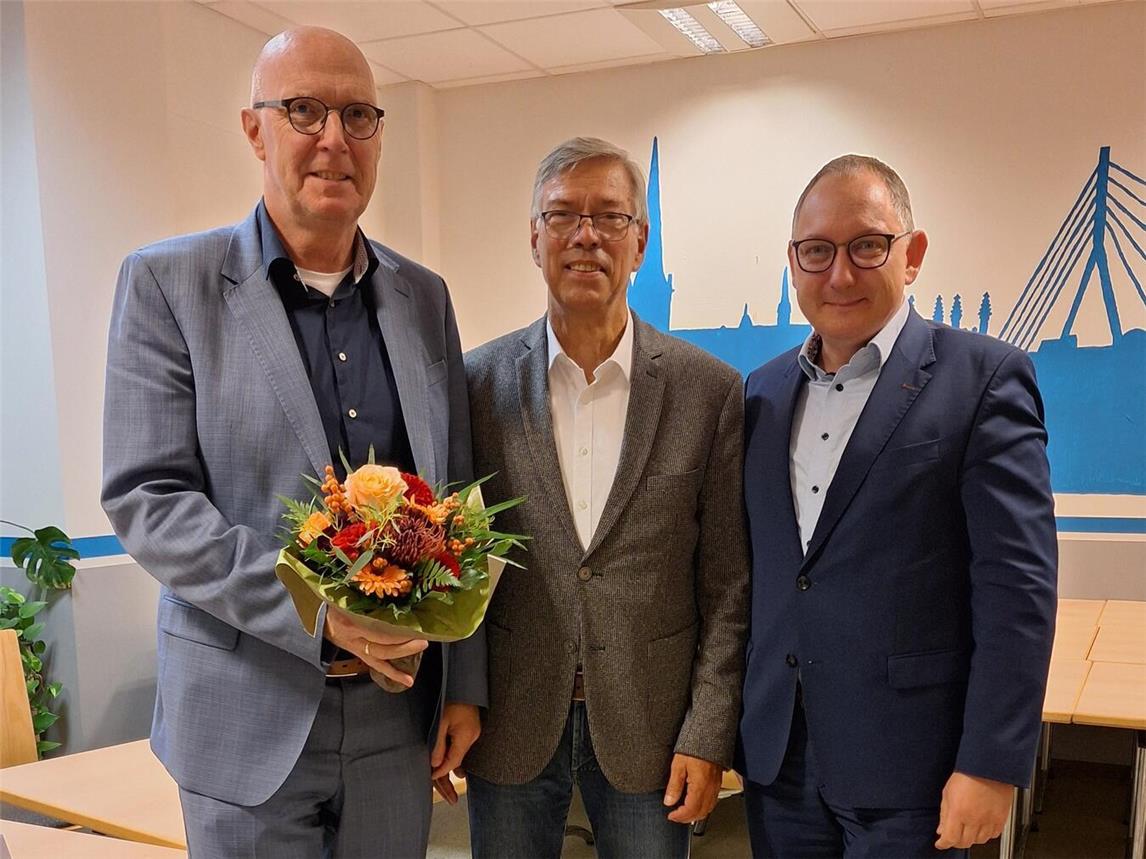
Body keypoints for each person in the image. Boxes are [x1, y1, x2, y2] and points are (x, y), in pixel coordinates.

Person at [101, 26, 483, 858]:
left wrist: (464, 683)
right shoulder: (169, 284)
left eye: (358, 115)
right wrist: (317, 609)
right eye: (304, 110)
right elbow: (148, 499)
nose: (334, 139)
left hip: (395, 717)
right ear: (255, 130)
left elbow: (458, 498)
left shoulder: (424, 298)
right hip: (245, 711)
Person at [737, 155, 1057, 856]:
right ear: (793, 262)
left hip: (916, 765)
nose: (839, 274)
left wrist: (990, 763)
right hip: (780, 758)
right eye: (817, 251)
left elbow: (1016, 589)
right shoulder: (760, 394)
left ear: (911, 255)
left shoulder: (983, 379)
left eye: (866, 246)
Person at [462, 137, 750, 859]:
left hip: (653, 729)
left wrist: (708, 731)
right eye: (562, 214)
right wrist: (452, 699)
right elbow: (453, 563)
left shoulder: (708, 392)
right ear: (534, 238)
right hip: (510, 720)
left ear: (640, 242)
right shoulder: (474, 387)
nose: (585, 235)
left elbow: (728, 585)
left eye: (610, 217)